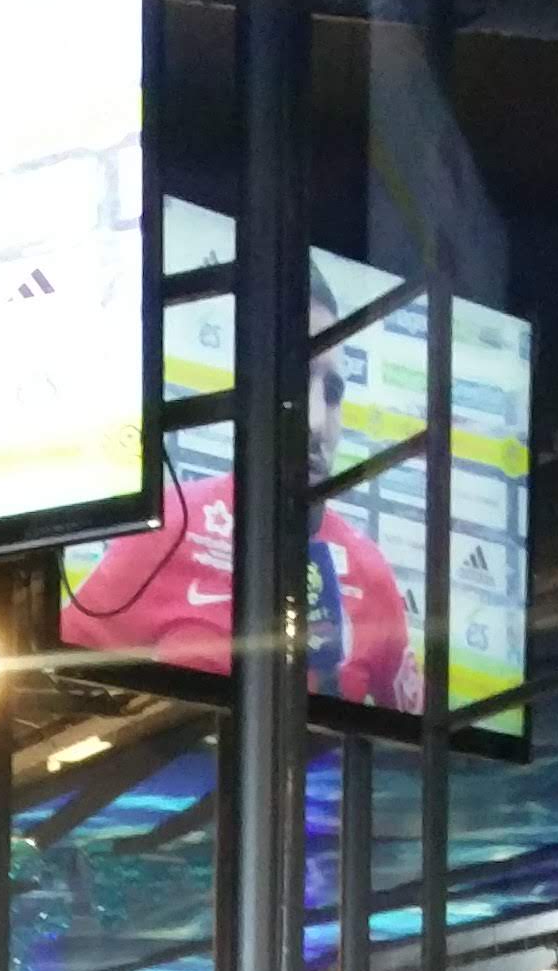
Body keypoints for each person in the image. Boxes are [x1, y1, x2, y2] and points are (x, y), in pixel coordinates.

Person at [57, 262, 424, 711]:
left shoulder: (370, 573)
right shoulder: (170, 527)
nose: (314, 423)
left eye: (332, 393)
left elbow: (412, 739)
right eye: (295, 383)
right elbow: (54, 689)